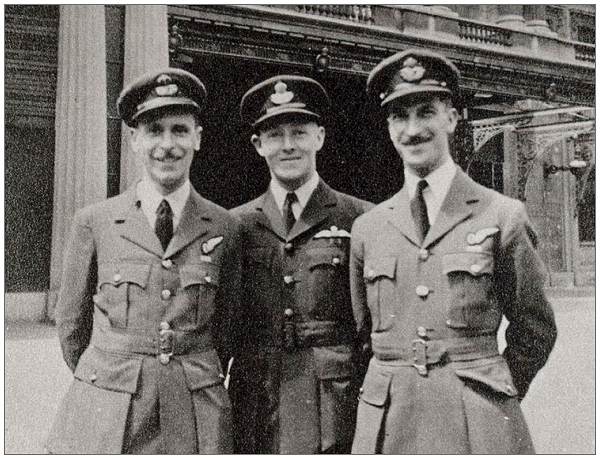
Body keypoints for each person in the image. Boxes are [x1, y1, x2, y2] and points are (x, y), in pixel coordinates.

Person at [349, 49, 557, 454]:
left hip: (477, 426)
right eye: (398, 116)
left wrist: (491, 392)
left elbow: (535, 329)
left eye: (425, 112)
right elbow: (361, 337)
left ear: (452, 117)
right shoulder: (368, 228)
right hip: (391, 424)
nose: (412, 130)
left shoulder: (502, 215)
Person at [46, 68, 241, 454]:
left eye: (179, 130)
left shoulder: (225, 226)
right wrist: (113, 373)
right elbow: (72, 326)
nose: (166, 145)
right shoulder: (95, 222)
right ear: (135, 140)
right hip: (111, 409)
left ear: (198, 138)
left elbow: (228, 329)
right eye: (154, 130)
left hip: (195, 410)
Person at [230, 75, 373, 454]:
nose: (288, 145)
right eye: (275, 135)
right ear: (258, 145)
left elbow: (373, 326)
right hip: (258, 402)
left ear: (320, 137)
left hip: (334, 402)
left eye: (299, 132)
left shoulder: (361, 218)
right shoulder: (236, 225)